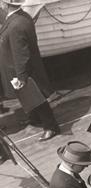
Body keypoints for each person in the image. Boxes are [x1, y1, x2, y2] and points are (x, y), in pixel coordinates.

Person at [0, 0, 60, 141]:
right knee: (27, 97)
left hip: (21, 70)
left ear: (6, 5)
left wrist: (21, 76)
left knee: (36, 98)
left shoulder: (15, 25)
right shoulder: (22, 17)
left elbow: (21, 54)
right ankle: (34, 118)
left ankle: (51, 127)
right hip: (20, 68)